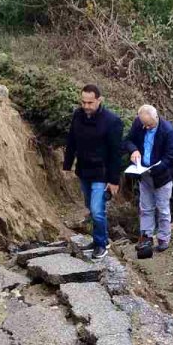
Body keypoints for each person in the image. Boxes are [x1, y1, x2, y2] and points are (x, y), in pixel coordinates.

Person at [63, 84, 123, 261]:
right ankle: (99, 239)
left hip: (102, 172)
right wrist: (67, 166)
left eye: (90, 103)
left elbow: (116, 153)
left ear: (99, 100)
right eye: (83, 102)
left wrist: (114, 180)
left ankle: (101, 244)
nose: (86, 106)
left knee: (97, 210)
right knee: (91, 207)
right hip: (84, 170)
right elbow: (71, 141)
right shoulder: (78, 115)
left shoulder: (112, 121)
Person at [124, 104, 173, 252]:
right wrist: (134, 150)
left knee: (163, 209)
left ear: (156, 118)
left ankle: (163, 239)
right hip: (143, 175)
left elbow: (169, 157)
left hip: (162, 177)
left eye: (149, 125)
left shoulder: (168, 131)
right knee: (145, 208)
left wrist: (154, 169)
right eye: (144, 124)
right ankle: (146, 238)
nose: (146, 127)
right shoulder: (139, 123)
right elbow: (128, 141)